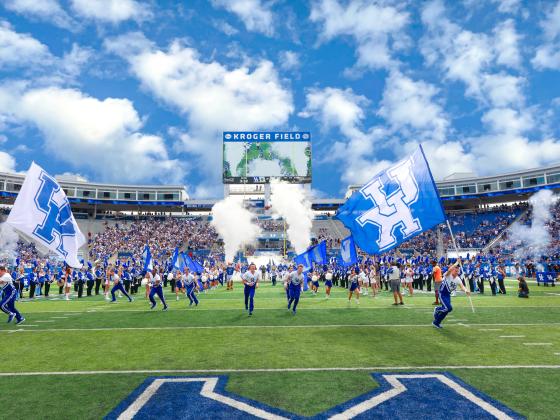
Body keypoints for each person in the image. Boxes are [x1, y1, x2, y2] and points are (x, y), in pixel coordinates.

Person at [433, 261, 470, 329]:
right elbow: (450, 269)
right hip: (442, 293)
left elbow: (462, 286)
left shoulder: (458, 279)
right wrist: (456, 262)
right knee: (448, 308)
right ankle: (437, 309)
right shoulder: (448, 274)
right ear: (453, 270)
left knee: (447, 310)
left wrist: (466, 290)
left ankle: (436, 322)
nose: (457, 272)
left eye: (457, 271)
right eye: (455, 271)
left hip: (447, 295)